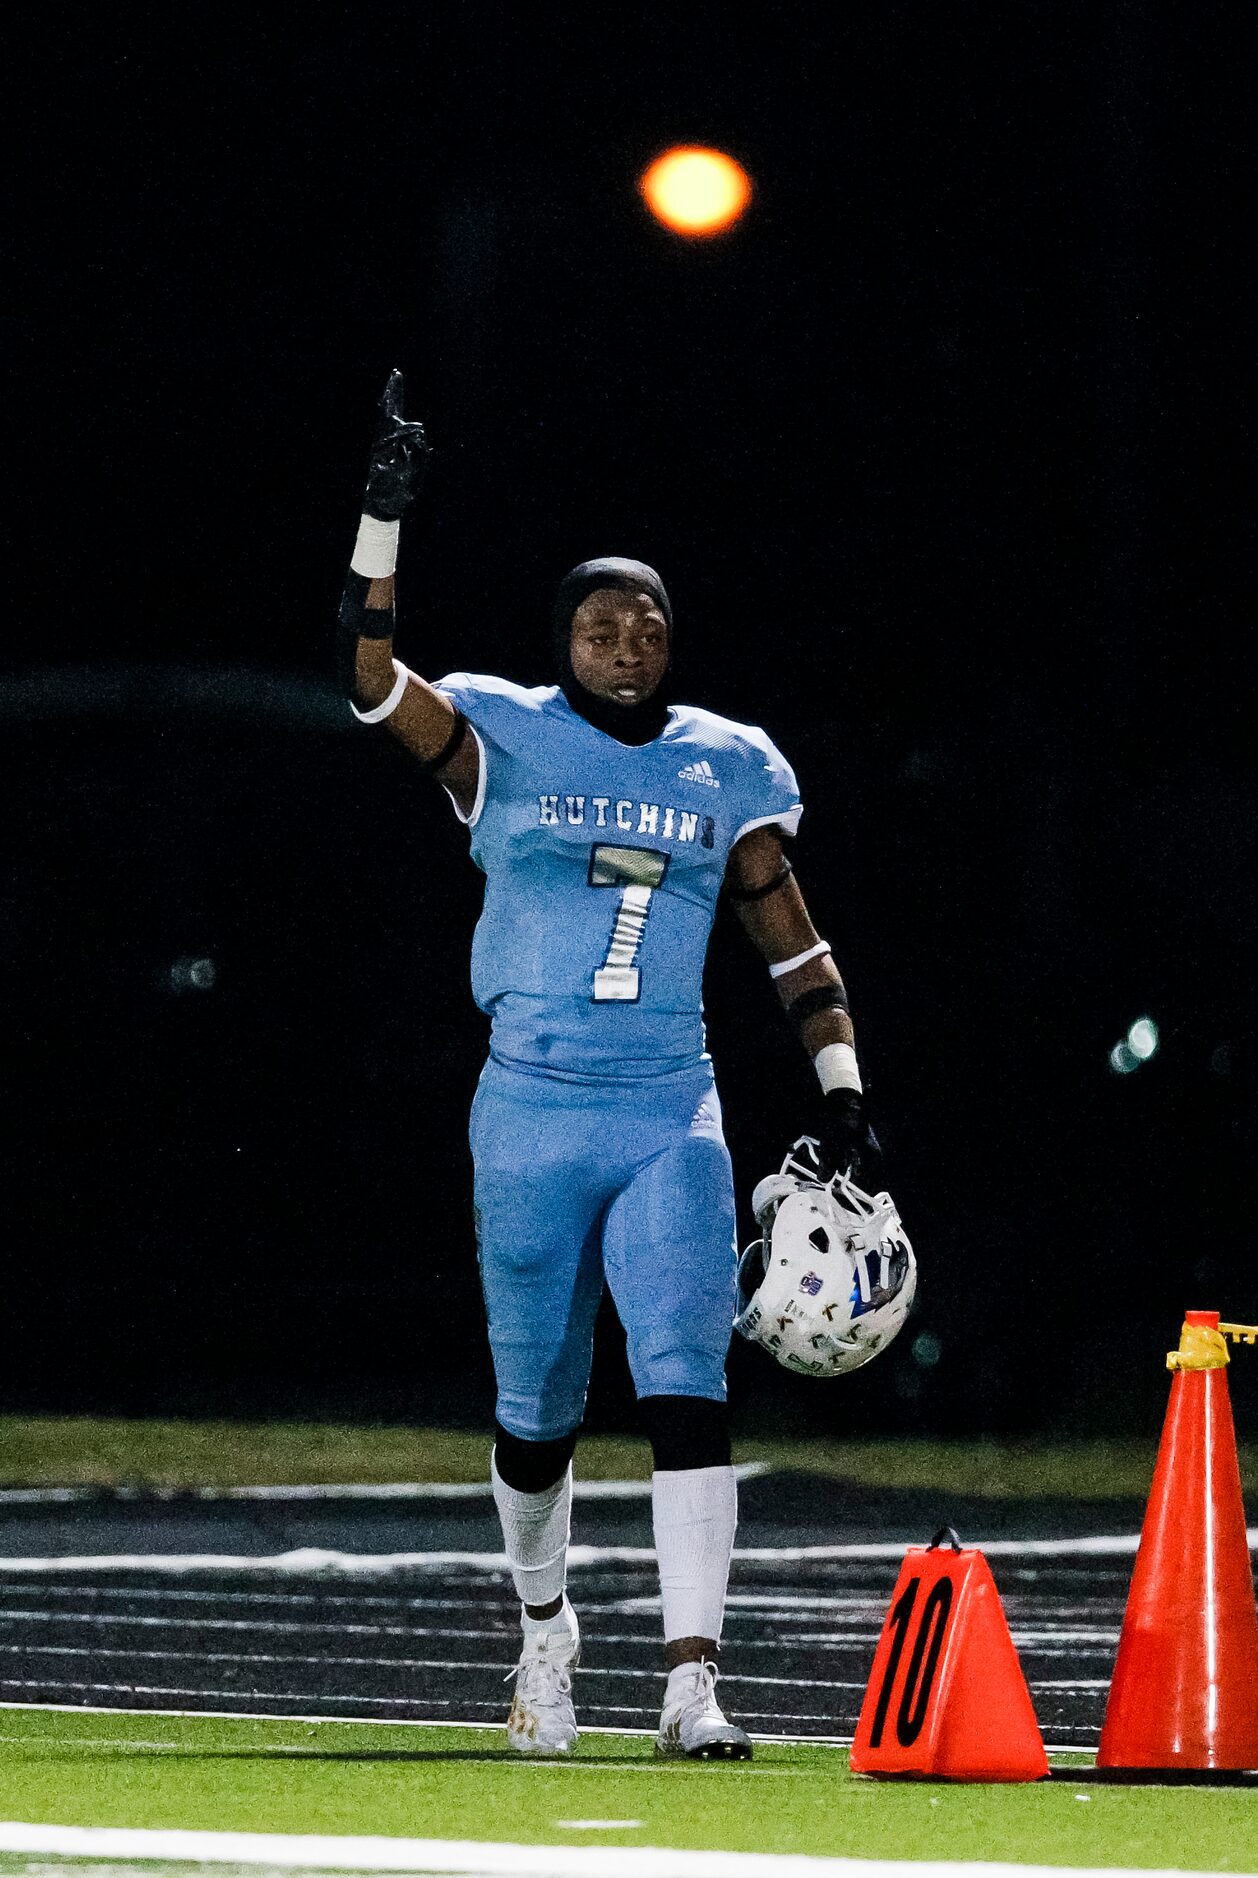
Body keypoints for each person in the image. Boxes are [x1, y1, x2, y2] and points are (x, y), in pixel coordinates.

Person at [339, 373, 882, 1759]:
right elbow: (371, 684)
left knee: (686, 1383)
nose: (625, 642)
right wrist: (379, 527)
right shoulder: (504, 730)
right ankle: (545, 1634)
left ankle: (692, 1677)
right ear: (563, 638)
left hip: (665, 1108)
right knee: (534, 1407)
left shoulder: (725, 765)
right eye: (599, 622)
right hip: (523, 1104)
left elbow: (795, 956)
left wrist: (842, 1097)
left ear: (671, 640)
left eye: (646, 624)